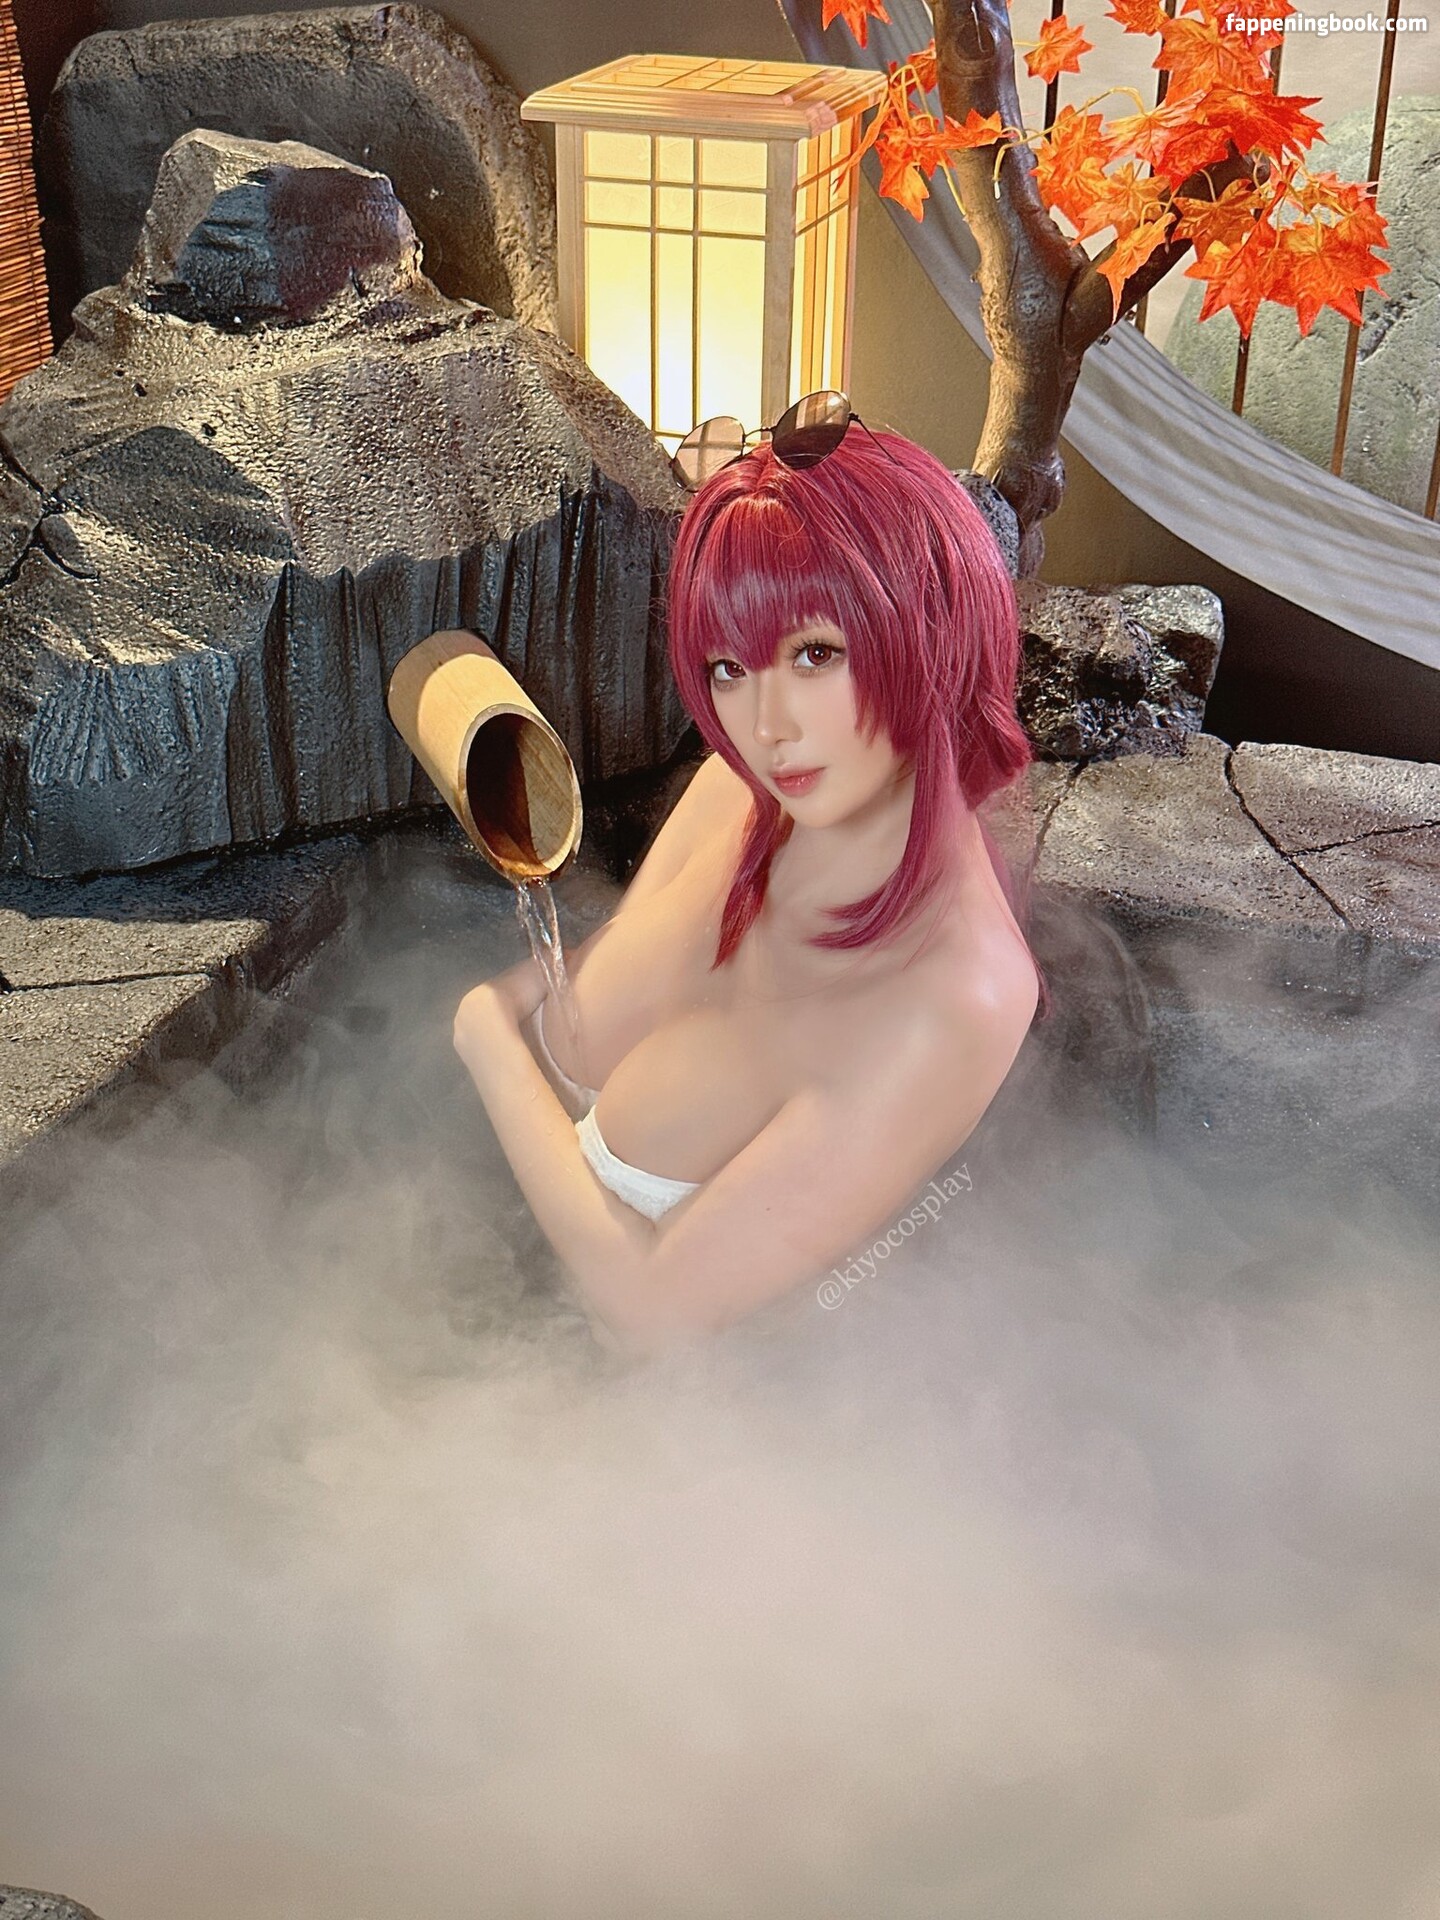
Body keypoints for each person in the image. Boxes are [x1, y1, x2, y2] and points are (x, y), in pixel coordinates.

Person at [453, 408, 1045, 1357]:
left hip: (646, 1404)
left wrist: (483, 1036)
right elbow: (570, 986)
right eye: (729, 666)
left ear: (934, 627)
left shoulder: (958, 998)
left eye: (815, 654)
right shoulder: (745, 791)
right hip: (457, 1259)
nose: (766, 724)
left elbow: (653, 1310)